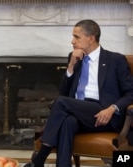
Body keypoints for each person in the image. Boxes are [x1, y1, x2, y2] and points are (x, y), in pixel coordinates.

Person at [25, 19, 133, 167]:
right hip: (77, 112)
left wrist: (112, 108)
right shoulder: (75, 58)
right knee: (68, 122)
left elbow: (131, 92)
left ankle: (41, 157)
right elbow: (63, 92)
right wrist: (71, 66)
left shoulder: (115, 60)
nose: (72, 41)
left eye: (77, 37)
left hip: (103, 114)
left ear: (91, 38)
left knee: (61, 102)